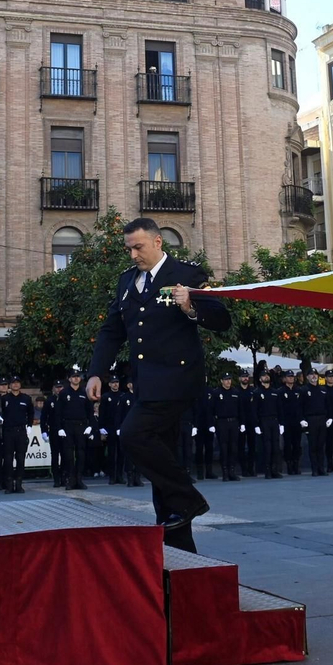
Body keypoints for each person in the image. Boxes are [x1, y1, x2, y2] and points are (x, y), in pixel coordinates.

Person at [87, 218, 229, 551]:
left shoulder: (187, 274)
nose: (133, 254)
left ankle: (189, 499)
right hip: (147, 384)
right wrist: (97, 372)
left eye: (139, 247)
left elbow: (223, 319)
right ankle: (179, 546)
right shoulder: (126, 282)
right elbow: (111, 331)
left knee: (134, 435)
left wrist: (190, 306)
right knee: (161, 460)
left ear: (158, 242)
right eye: (129, 248)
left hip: (178, 380)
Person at [0, 376, 34, 494]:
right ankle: (8, 484)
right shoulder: (5, 398)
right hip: (8, 431)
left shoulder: (26, 398)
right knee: (8, 459)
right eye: (13, 383)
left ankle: (19, 484)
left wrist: (29, 426)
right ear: (10, 385)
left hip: (21, 431)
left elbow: (31, 413)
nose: (16, 385)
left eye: (18, 382)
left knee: (20, 458)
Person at [56, 369, 92, 491]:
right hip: (68, 425)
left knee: (81, 453)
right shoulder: (64, 393)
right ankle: (71, 479)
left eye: (78, 376)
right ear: (69, 379)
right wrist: (60, 428)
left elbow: (90, 411)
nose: (76, 378)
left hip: (81, 425)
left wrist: (90, 426)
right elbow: (58, 412)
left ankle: (79, 479)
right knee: (68, 454)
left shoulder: (84, 392)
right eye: (73, 376)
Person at [251, 370, 282, 479]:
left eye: (267, 375)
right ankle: (267, 471)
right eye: (263, 376)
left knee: (275, 446)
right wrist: (256, 425)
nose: (266, 377)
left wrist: (281, 423)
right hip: (264, 421)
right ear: (260, 379)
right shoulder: (257, 392)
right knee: (267, 447)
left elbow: (279, 409)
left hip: (274, 420)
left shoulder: (275, 392)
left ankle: (275, 470)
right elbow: (254, 410)